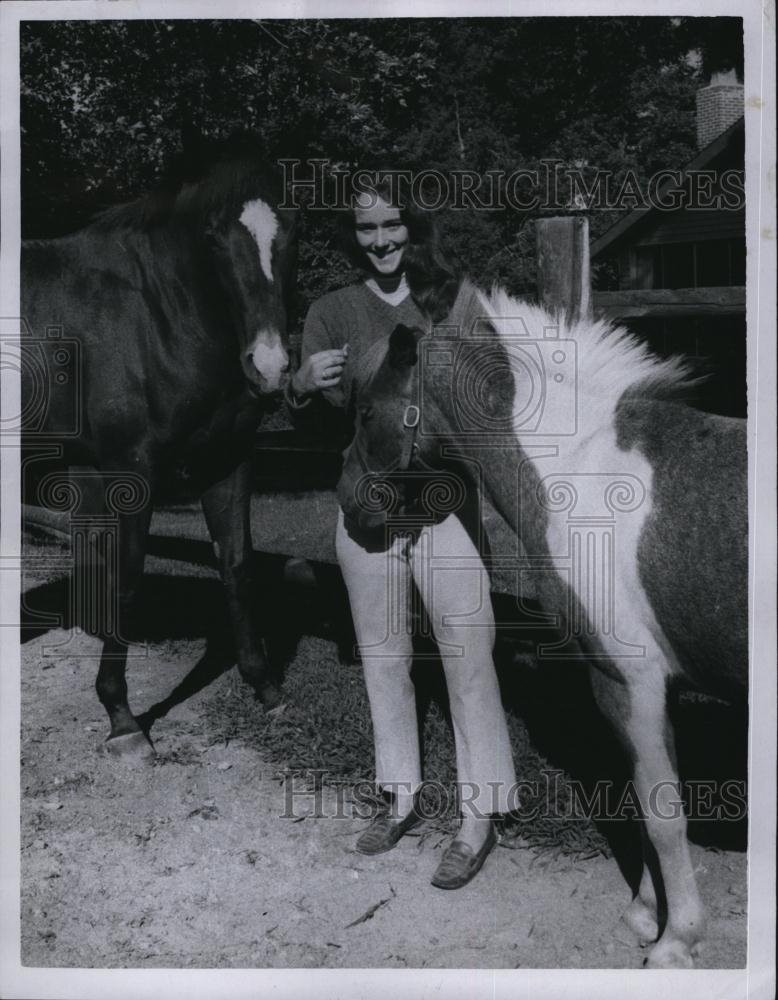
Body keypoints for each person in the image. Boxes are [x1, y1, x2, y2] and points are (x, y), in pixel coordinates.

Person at [287, 172, 516, 889]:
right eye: (367, 229)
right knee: (384, 658)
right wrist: (300, 384)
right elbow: (311, 418)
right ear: (352, 237)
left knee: (467, 659)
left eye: (392, 226)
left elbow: (499, 389)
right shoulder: (330, 310)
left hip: (444, 507)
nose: (381, 240)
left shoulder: (452, 298)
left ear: (412, 227)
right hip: (366, 508)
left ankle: (480, 816)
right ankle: (400, 797)